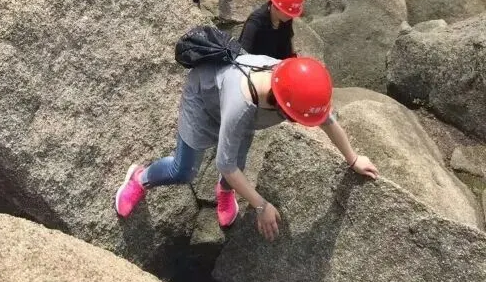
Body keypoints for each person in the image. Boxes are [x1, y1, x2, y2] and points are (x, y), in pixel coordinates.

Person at [115, 54, 378, 237]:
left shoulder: (290, 80)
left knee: (237, 166)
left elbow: (326, 119)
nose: (300, 124)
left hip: (242, 113)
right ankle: (141, 178)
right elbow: (224, 163)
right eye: (296, 119)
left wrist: (353, 159)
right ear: (281, 105)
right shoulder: (242, 105)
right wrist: (261, 206)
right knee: (184, 171)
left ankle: (224, 192)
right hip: (203, 101)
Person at [239, 0, 305, 60]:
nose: (290, 17)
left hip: (276, 64)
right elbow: (243, 53)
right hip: (255, 66)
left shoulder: (285, 20)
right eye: (287, 13)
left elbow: (287, 47)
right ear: (276, 6)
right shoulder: (255, 21)